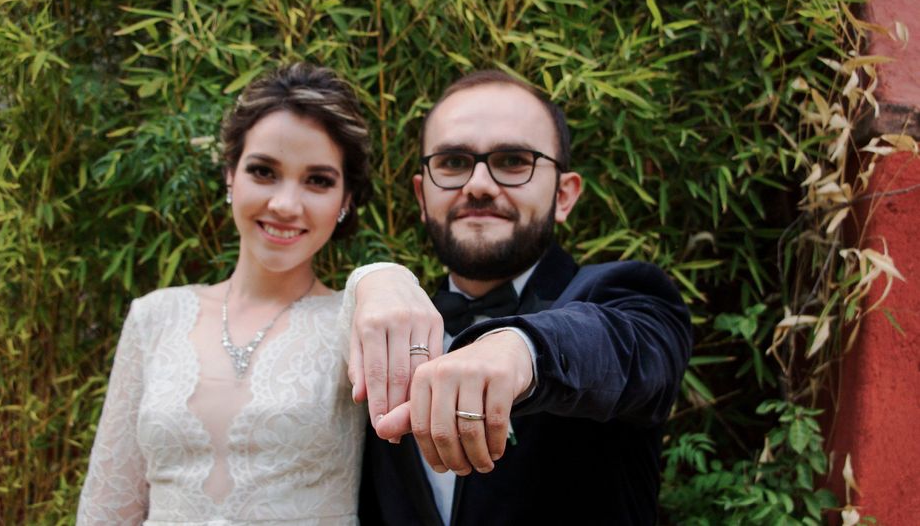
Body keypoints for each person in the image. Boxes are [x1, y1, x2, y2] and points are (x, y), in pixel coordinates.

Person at [76, 62, 442, 524]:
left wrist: (386, 274)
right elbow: (106, 509)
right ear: (231, 175)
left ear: (346, 200)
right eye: (264, 171)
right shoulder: (155, 316)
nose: (285, 204)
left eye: (318, 180)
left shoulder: (356, 318)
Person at [355, 70, 693, 525]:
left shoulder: (628, 296)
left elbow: (626, 352)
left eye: (513, 160)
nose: (478, 184)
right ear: (422, 194)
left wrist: (522, 348)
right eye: (453, 162)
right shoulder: (389, 328)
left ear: (564, 194)